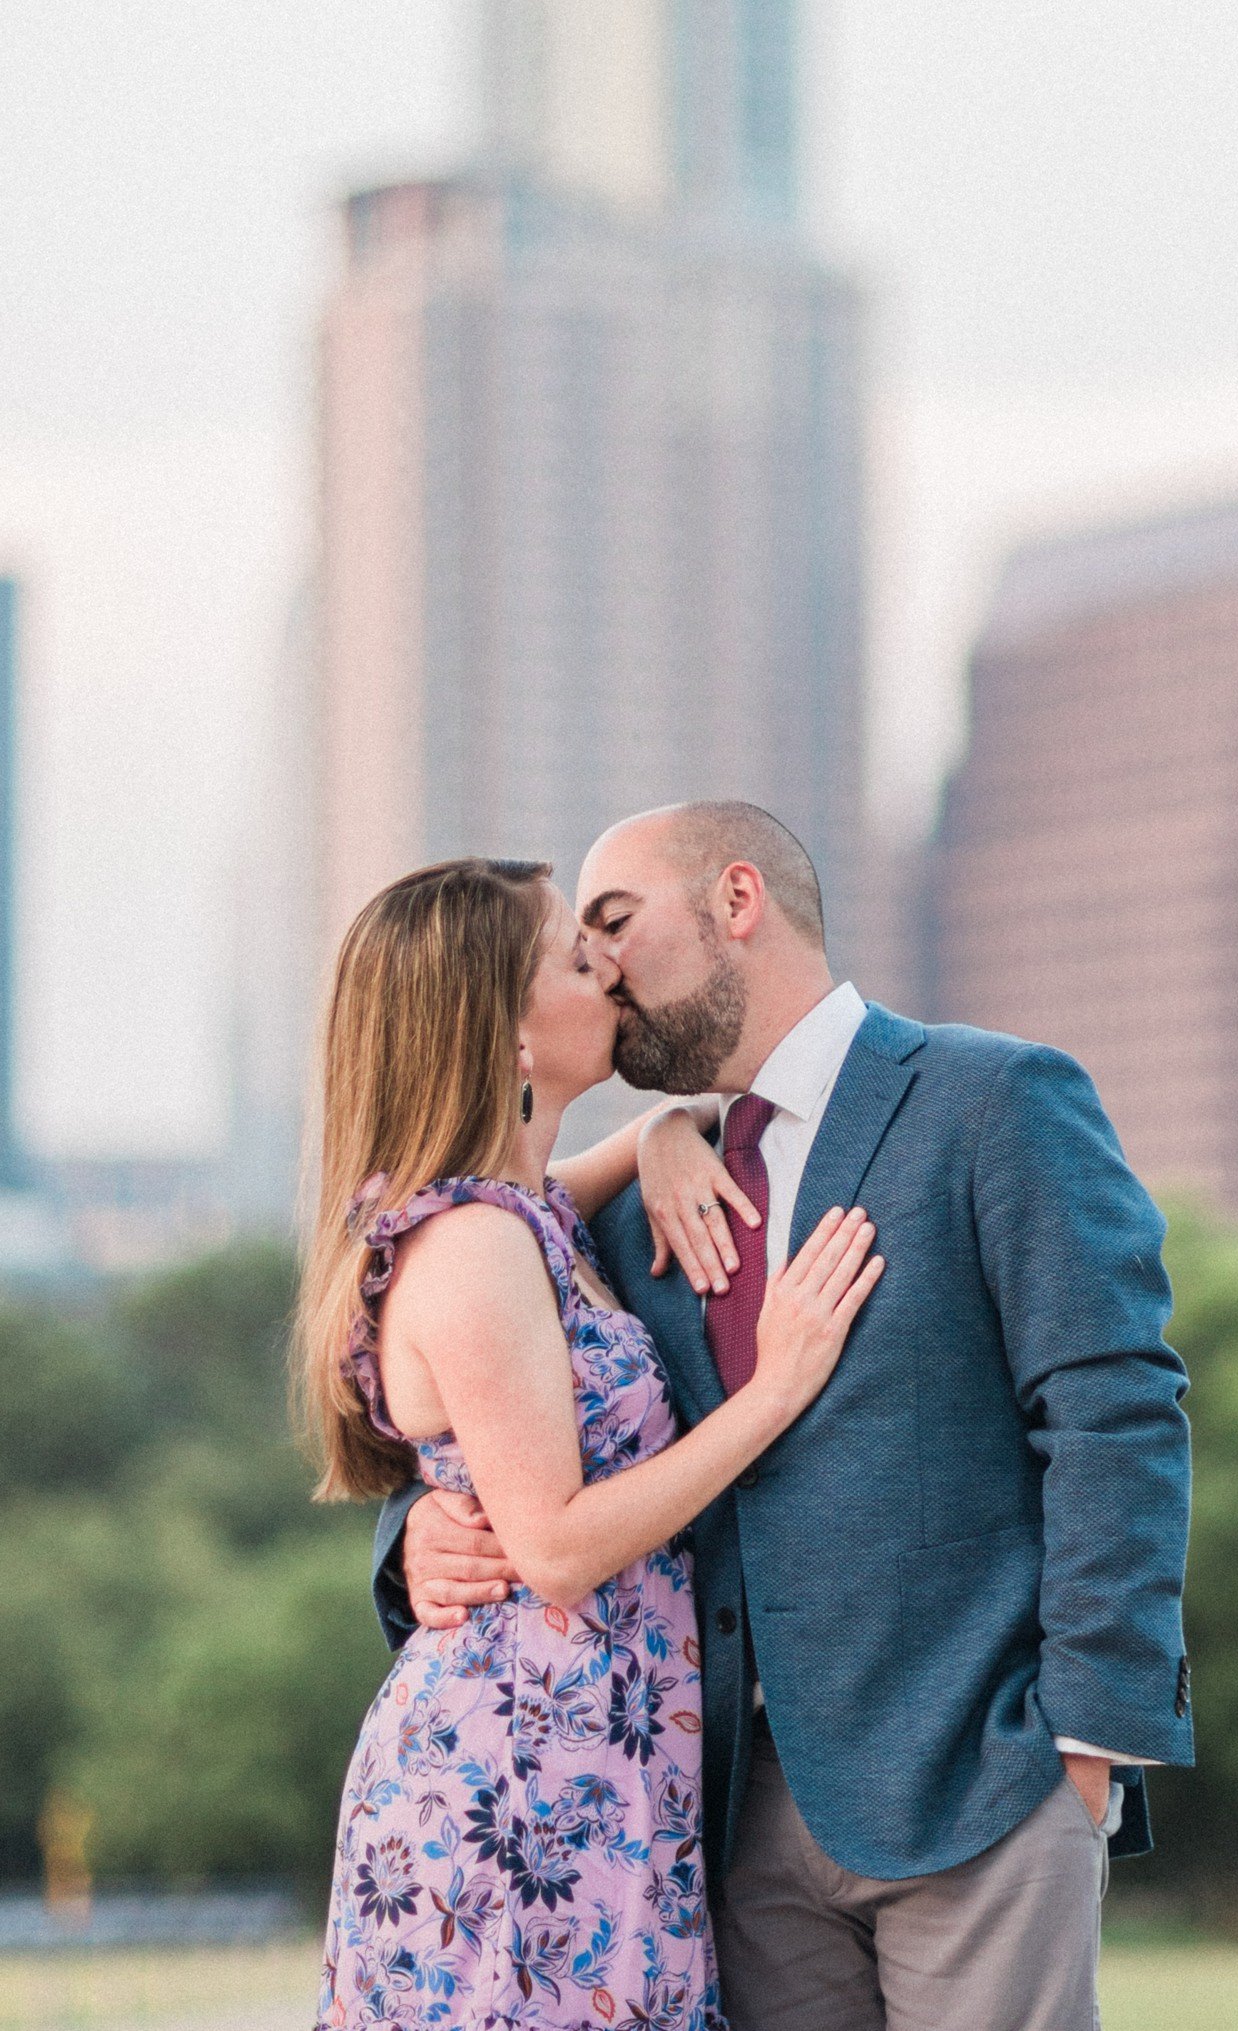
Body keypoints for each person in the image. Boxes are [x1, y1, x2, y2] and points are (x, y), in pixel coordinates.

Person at [383, 801, 1194, 2031]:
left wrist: (1087, 1735)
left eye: (614, 923)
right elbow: (507, 1413)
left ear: (737, 903)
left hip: (978, 1780)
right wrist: (416, 1535)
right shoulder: (609, 1212)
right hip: (710, 1826)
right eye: (578, 946)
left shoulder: (991, 1100)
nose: (598, 965)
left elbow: (1113, 1410)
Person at [301, 854, 881, 2029]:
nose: (609, 964)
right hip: (522, 1786)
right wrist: (774, 1391)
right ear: (506, 1035)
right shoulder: (470, 1247)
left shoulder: (521, 1213)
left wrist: (667, 1127)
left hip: (599, 1768)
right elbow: (557, 1549)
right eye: (576, 956)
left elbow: (599, 1165)